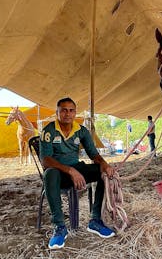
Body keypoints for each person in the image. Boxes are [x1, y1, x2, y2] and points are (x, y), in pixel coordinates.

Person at [40, 97, 116, 249]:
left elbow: (93, 154)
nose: (67, 114)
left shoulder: (81, 131)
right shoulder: (49, 130)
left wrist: (104, 164)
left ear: (75, 113)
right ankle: (60, 226)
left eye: (71, 110)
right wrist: (69, 170)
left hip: (77, 169)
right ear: (57, 113)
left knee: (102, 172)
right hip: (58, 175)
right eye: (63, 110)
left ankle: (95, 220)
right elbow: (45, 160)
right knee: (49, 173)